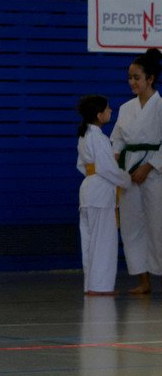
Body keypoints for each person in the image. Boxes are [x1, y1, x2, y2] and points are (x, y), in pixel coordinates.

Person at [111, 48, 162, 294]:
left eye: (137, 77)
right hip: (129, 173)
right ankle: (144, 280)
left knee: (158, 224)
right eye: (129, 77)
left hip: (155, 171)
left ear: (150, 78)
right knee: (132, 226)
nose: (132, 82)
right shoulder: (125, 108)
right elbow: (117, 140)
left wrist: (149, 166)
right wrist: (115, 167)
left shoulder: (160, 106)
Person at [76, 95, 130, 296]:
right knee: (103, 241)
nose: (110, 111)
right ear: (99, 115)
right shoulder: (99, 138)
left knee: (89, 241)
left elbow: (82, 166)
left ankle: (90, 285)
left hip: (88, 190)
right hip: (100, 193)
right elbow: (108, 168)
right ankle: (100, 286)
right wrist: (126, 179)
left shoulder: (84, 136)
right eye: (108, 109)